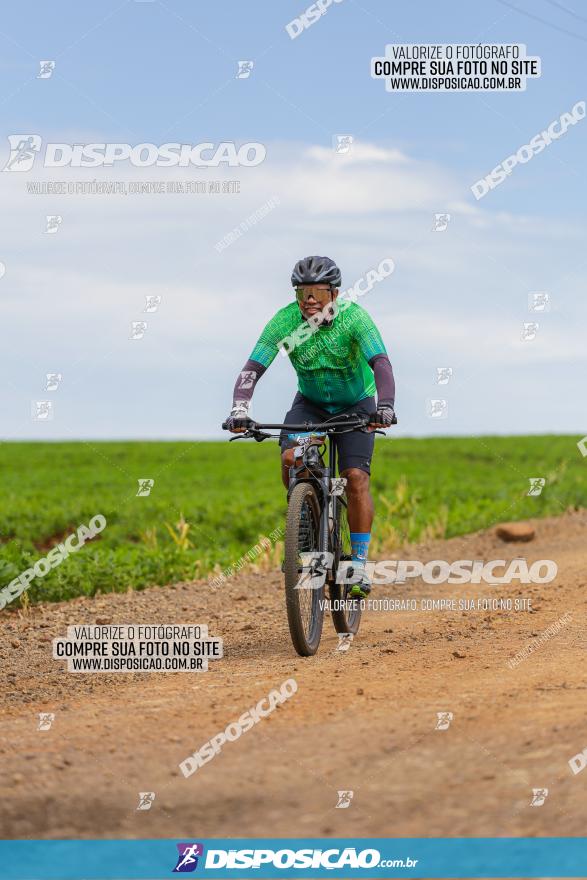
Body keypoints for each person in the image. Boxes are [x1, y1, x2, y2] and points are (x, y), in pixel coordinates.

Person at [224, 255, 396, 598]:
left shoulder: (355, 319)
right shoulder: (285, 322)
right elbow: (252, 368)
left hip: (356, 405)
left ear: (333, 293)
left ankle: (358, 563)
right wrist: (240, 409)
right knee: (291, 458)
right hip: (311, 405)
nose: (309, 300)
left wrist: (385, 407)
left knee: (356, 478)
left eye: (317, 291)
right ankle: (304, 523)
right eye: (302, 292)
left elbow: (381, 363)